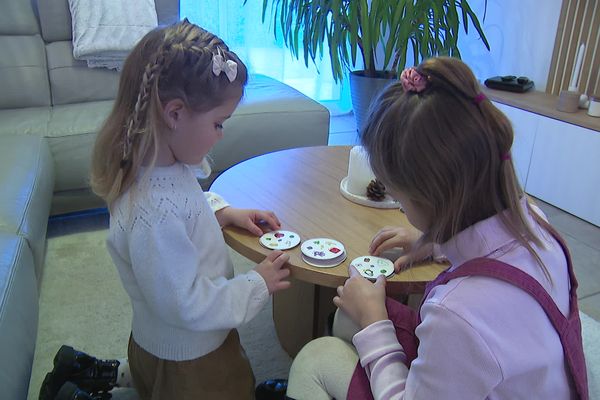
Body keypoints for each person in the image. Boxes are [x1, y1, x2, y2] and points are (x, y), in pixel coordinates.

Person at [286, 57, 588, 400]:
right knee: (346, 318)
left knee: (315, 358)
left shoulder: (456, 312)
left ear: (428, 199)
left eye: (398, 196)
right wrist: (433, 241)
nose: (399, 206)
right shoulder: (534, 220)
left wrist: (376, 325)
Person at [44, 19, 291, 400]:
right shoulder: (154, 212)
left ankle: (92, 377)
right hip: (193, 361)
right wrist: (255, 284)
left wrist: (223, 213)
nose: (221, 134)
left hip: (160, 343)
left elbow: (186, 202)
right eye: (219, 123)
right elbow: (188, 304)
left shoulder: (155, 168)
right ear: (174, 113)